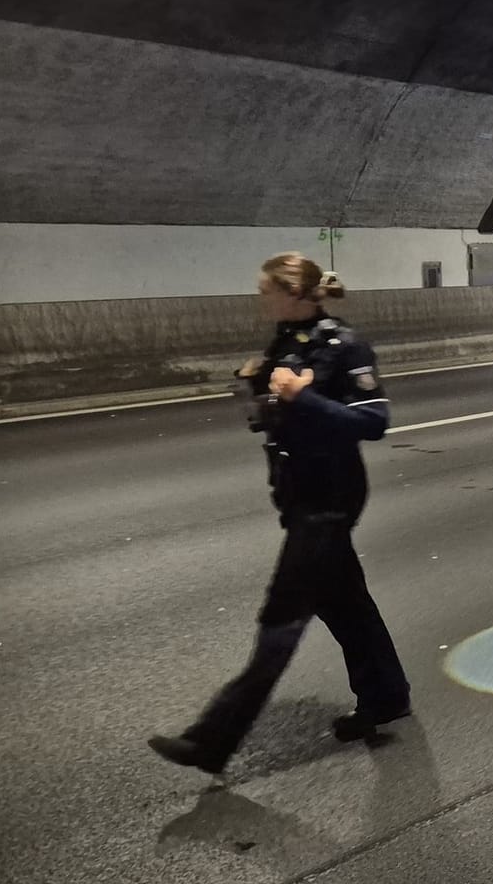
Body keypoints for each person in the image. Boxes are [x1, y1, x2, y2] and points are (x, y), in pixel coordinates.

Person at [149, 253, 411, 774]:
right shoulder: (287, 342)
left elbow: (374, 421)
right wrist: (257, 389)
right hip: (298, 493)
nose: (260, 298)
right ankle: (386, 694)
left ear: (293, 292)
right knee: (344, 602)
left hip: (329, 498)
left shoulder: (344, 345)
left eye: (266, 290)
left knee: (281, 620)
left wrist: (301, 397)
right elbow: (273, 417)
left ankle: (212, 740)